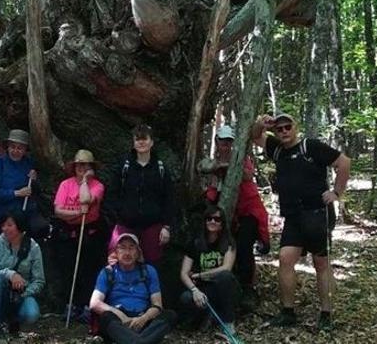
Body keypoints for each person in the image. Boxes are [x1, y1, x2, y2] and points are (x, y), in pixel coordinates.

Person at [252, 112, 351, 331]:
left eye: (288, 127)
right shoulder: (277, 149)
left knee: (321, 263)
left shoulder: (310, 146)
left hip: (317, 214)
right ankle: (288, 312)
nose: (284, 132)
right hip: (293, 216)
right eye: (279, 129)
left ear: (295, 127)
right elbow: (255, 137)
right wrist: (261, 124)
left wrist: (336, 192)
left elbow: (343, 162)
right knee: (286, 259)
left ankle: (326, 314)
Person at [197, 125, 270, 300]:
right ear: (218, 142)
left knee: (244, 246)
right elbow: (213, 188)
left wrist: (228, 166)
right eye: (223, 142)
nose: (226, 146)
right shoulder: (214, 163)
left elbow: (247, 176)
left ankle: (247, 288)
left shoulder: (241, 159)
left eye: (229, 142)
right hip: (227, 214)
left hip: (248, 212)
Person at [104, 124, 176, 265]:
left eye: (145, 138)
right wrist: (119, 215)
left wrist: (166, 226)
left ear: (152, 142)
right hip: (126, 224)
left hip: (153, 226)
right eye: (137, 139)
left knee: (151, 265)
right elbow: (112, 194)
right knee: (117, 261)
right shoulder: (124, 167)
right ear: (133, 143)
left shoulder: (161, 168)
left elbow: (169, 198)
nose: (141, 142)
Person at [89, 233, 176, 344]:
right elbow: (94, 303)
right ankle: (143, 341)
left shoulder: (148, 271)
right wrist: (121, 316)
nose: (127, 253)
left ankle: (134, 341)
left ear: (138, 252)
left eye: (131, 248)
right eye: (123, 248)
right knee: (105, 317)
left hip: (143, 318)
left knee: (169, 315)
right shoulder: (108, 272)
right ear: (116, 252)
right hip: (118, 320)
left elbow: (157, 305)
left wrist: (143, 319)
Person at [52, 149, 107, 320]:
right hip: (68, 233)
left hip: (90, 232)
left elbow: (86, 200)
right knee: (68, 269)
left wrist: (84, 181)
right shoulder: (65, 185)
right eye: (79, 166)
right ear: (74, 167)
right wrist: (77, 212)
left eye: (86, 166)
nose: (82, 168)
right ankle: (70, 305)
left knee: (88, 270)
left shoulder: (97, 186)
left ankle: (86, 306)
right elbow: (58, 211)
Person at [0, 209, 45, 344]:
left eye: (9, 225)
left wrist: (24, 290)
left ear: (20, 226)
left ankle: (14, 324)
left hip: (22, 293)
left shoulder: (33, 247)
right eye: (3, 225)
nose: (4, 229)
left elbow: (39, 280)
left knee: (32, 314)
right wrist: (10, 274)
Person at [179, 205, 239, 335]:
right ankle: (205, 316)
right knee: (186, 298)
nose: (212, 222)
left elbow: (226, 268)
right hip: (203, 289)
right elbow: (184, 273)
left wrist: (199, 275)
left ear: (222, 224)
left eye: (217, 219)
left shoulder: (228, 243)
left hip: (223, 288)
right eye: (209, 219)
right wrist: (194, 290)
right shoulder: (195, 243)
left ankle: (228, 321)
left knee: (225, 277)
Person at [0, 129, 49, 241]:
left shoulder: (28, 163)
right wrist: (16, 193)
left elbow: (35, 189)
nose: (15, 151)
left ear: (25, 150)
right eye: (12, 146)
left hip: (26, 211)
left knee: (41, 228)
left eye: (20, 148)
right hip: (4, 212)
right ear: (7, 147)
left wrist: (34, 179)